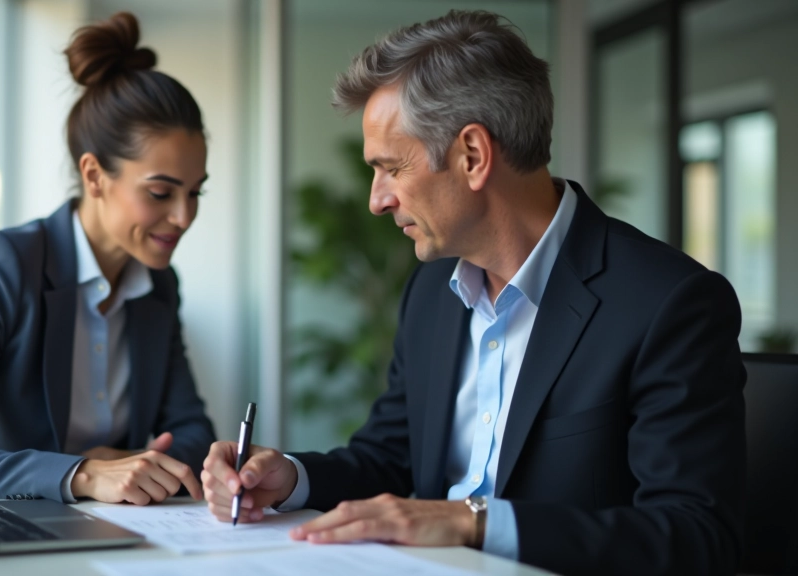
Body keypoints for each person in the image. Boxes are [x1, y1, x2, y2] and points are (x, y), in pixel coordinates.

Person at [202, 10, 745, 575]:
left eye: (390, 168)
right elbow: (390, 459)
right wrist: (290, 478)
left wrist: (473, 522)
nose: (377, 199)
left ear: (473, 156)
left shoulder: (669, 303)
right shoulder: (432, 292)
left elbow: (696, 536)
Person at [0, 12, 215, 506]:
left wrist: (131, 462)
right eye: (161, 192)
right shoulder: (2, 265)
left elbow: (192, 431)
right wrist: (84, 473)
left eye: (196, 192)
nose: (183, 217)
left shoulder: (159, 285)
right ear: (94, 176)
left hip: (95, 527)